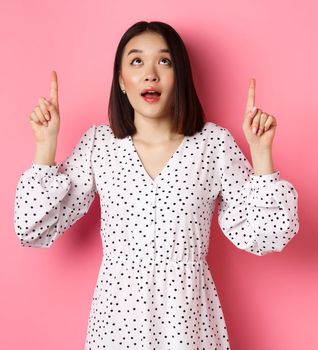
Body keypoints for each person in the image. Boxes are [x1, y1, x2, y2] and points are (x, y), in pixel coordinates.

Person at [13, 20, 300, 349]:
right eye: (136, 61)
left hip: (187, 319)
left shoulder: (213, 144)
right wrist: (45, 145)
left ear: (180, 76)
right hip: (117, 321)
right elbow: (32, 227)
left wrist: (262, 153)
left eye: (164, 61)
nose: (150, 73)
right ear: (122, 81)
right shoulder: (99, 144)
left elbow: (268, 234)